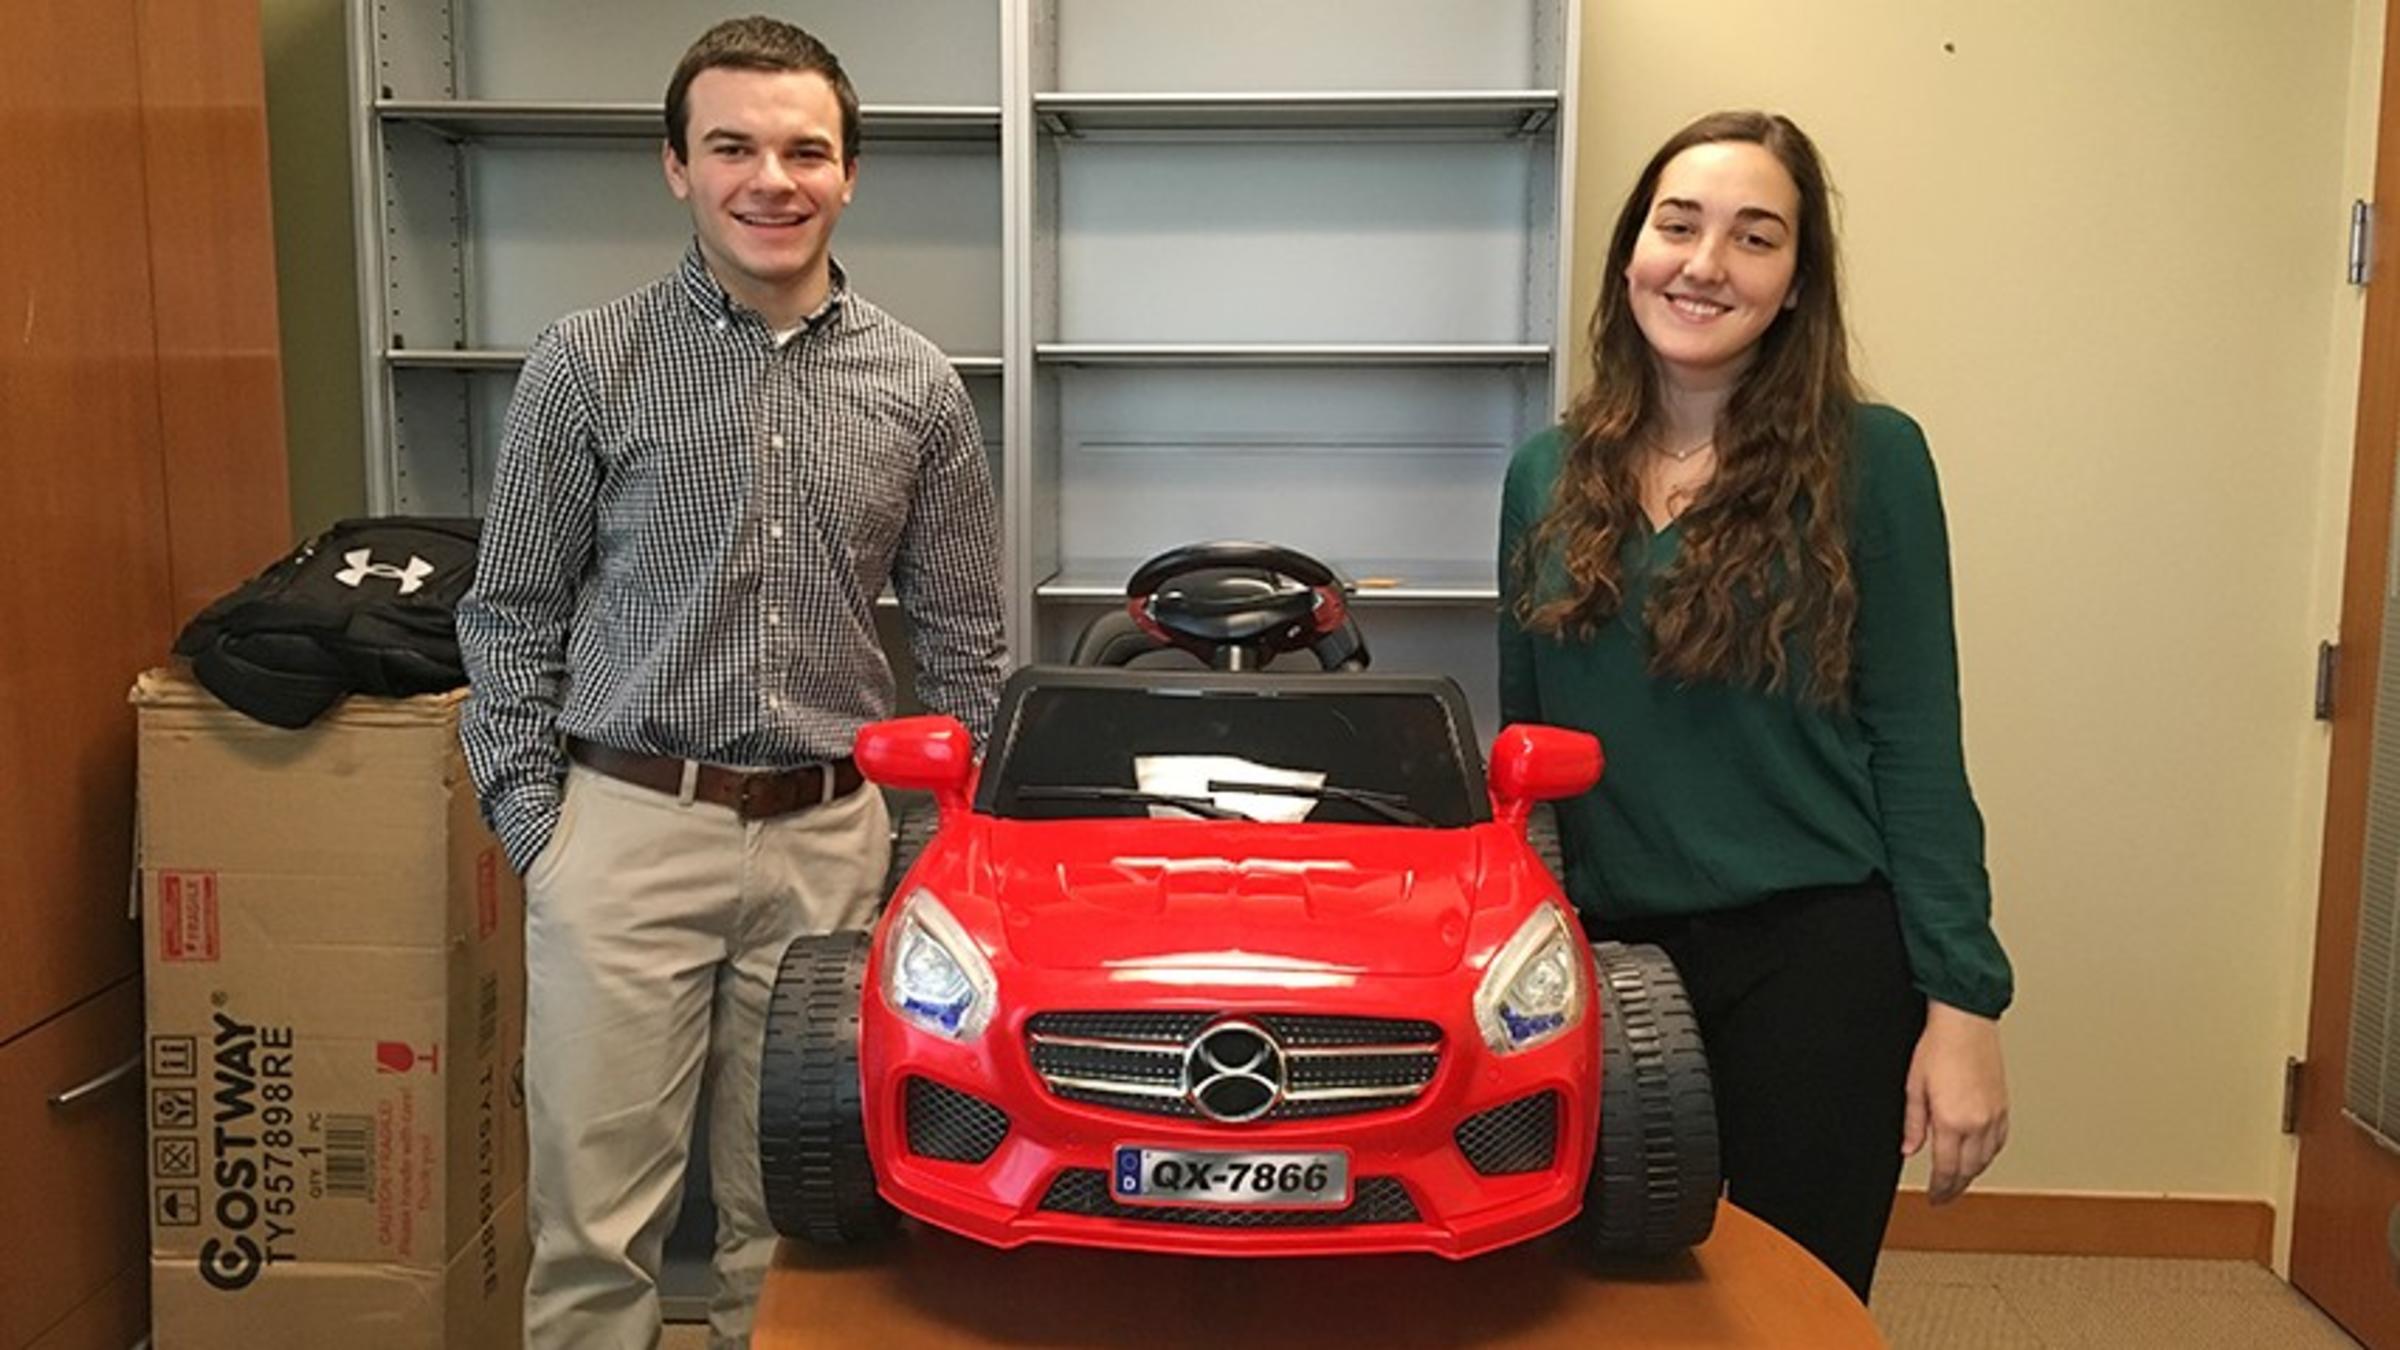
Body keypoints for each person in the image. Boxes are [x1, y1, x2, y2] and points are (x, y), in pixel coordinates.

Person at [456, 16, 1006, 1348]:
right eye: (734, 146)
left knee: (797, 1222)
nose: (773, 177)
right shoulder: (586, 365)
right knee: (595, 1232)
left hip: (832, 844)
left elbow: (967, 642)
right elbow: (509, 612)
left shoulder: (917, 386)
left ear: (849, 173)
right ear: (677, 167)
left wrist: (929, 856)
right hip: (626, 834)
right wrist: (546, 837)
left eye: (805, 149)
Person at [1497, 110, 2010, 1301]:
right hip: (1613, 961)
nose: (1706, 263)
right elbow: (1529, 758)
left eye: (1755, 237)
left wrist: (1965, 1007)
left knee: (1794, 1300)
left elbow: (1921, 746)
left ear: (1795, 285)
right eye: (1679, 225)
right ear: (1633, 251)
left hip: (1817, 955)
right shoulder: (1545, 473)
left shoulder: (1874, 461)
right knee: (1598, 1300)